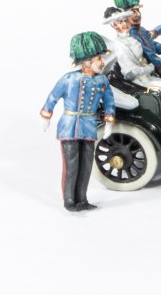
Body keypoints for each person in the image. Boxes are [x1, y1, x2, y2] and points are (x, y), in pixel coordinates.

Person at [40, 32, 116, 212]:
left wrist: (109, 120)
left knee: (86, 165)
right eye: (98, 58)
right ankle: (69, 200)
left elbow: (109, 101)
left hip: (89, 126)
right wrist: (46, 116)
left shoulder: (102, 80)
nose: (102, 62)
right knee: (71, 165)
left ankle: (82, 199)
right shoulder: (69, 78)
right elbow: (53, 97)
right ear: (86, 61)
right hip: (69, 127)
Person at [103, 7, 161, 93]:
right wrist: (149, 68)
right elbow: (131, 72)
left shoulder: (132, 38)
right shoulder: (120, 44)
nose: (125, 24)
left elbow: (150, 44)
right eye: (120, 22)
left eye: (125, 21)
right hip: (138, 81)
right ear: (115, 26)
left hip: (147, 76)